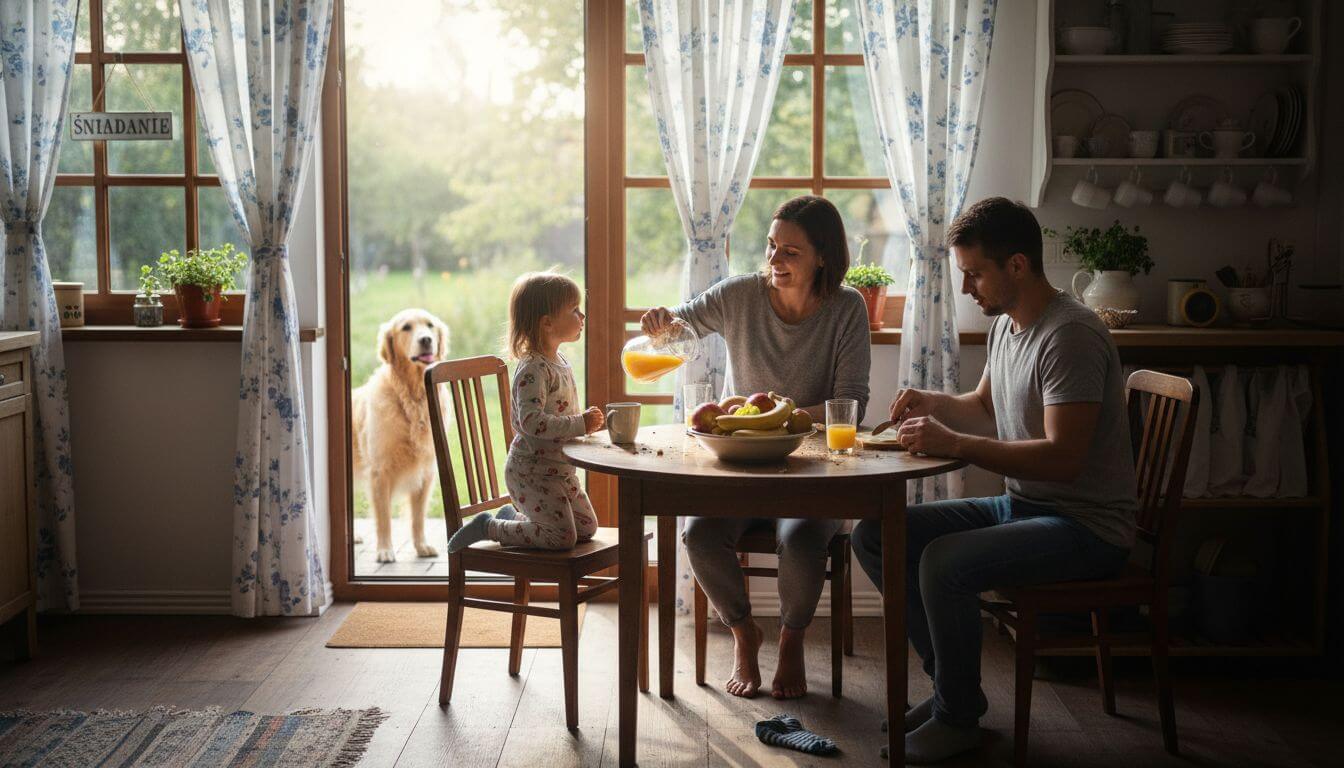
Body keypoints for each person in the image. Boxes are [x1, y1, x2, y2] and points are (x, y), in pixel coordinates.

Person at [851, 197, 1137, 763]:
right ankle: (949, 693)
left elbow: (1063, 459)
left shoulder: (1070, 336)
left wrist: (954, 444)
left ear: (1017, 266)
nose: (966, 289)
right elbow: (984, 405)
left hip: (1087, 526)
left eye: (974, 274)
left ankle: (957, 717)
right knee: (875, 534)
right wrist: (930, 403)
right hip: (1026, 508)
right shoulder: (1009, 326)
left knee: (943, 562)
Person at [641, 195, 871, 699]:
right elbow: (681, 325)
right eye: (771, 247)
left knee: (805, 540)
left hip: (812, 472)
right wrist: (660, 323)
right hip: (738, 469)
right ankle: (745, 634)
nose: (775, 260)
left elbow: (851, 404)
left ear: (823, 257)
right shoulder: (741, 295)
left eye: (790, 252)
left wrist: (783, 421)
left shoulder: (847, 308)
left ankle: (791, 644)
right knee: (698, 534)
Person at [448, 271, 605, 553]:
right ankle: (489, 526)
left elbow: (560, 412)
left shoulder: (560, 362)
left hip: (560, 471)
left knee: (587, 530)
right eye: (574, 311)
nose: (582, 317)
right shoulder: (533, 368)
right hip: (532, 473)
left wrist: (583, 428)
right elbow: (532, 423)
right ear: (547, 323)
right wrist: (579, 423)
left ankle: (514, 519)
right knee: (561, 538)